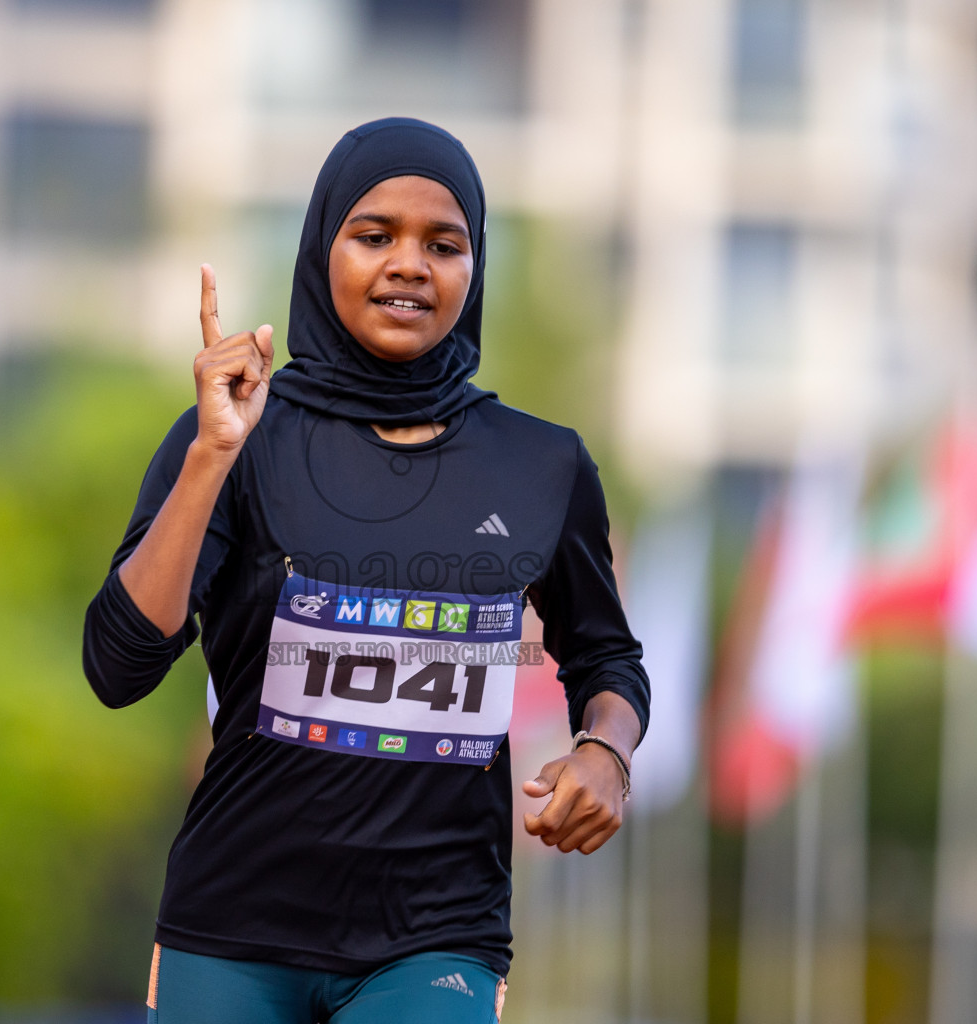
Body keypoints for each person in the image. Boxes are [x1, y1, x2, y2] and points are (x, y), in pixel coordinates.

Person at [82, 117, 649, 1024]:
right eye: (374, 235)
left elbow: (609, 660)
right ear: (322, 248)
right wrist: (210, 456)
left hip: (436, 938)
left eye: (445, 243)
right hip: (233, 931)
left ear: (476, 266)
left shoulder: (542, 465)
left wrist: (607, 753)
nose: (410, 264)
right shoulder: (235, 435)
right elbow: (117, 668)